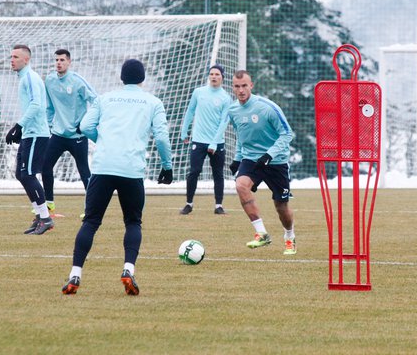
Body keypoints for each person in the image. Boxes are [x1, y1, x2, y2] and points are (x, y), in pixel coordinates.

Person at [62, 59, 173, 296]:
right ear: (142, 79)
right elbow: (162, 137)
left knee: (90, 222)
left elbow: (85, 125)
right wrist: (167, 166)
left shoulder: (105, 98)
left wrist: (101, 141)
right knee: (133, 222)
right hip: (131, 170)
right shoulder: (153, 102)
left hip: (103, 167)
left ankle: (75, 274)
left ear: (122, 78)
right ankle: (128, 270)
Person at [227, 70, 296, 255]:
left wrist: (269, 155)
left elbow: (287, 134)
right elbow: (241, 136)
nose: (241, 90)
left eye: (244, 86)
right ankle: (261, 233)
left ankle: (289, 236)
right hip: (252, 159)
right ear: (232, 87)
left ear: (251, 86)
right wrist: (237, 158)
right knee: (241, 186)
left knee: (281, 207)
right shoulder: (233, 110)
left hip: (276, 161)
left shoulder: (267, 107)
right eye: (237, 86)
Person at [41, 49, 97, 217]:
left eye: (62, 60)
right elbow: (49, 106)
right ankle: (48, 207)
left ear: (69, 62)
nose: (59, 62)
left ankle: (91, 209)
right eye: (57, 59)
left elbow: (96, 101)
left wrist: (86, 123)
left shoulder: (78, 81)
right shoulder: (49, 80)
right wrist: (48, 126)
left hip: (77, 136)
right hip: (58, 134)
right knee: (45, 166)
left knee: (84, 171)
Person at [7, 44, 54, 235]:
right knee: (21, 174)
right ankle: (39, 216)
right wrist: (21, 129)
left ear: (26, 59)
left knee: (28, 174)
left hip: (37, 133)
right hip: (29, 133)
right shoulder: (23, 79)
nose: (12, 60)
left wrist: (18, 125)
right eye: (11, 56)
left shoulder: (31, 77)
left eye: (16, 57)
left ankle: (45, 218)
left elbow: (37, 105)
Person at [178, 64, 232, 215]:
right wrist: (184, 131)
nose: (214, 76)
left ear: (222, 77)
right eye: (211, 74)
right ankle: (188, 204)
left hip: (217, 142)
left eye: (217, 74)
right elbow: (190, 111)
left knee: (218, 174)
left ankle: (218, 206)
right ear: (209, 76)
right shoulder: (198, 92)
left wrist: (214, 142)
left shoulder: (225, 98)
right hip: (199, 140)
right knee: (194, 171)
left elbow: (224, 122)